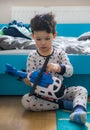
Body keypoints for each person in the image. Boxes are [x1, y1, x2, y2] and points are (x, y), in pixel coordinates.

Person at [21, 12, 88, 125]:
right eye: (38, 39)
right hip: (42, 96)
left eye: (47, 38)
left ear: (54, 35)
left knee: (82, 90)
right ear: (33, 37)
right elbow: (30, 76)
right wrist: (28, 81)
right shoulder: (32, 56)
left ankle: (78, 111)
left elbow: (70, 71)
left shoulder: (59, 53)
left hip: (61, 91)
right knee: (26, 101)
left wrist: (58, 67)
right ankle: (65, 104)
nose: (43, 43)